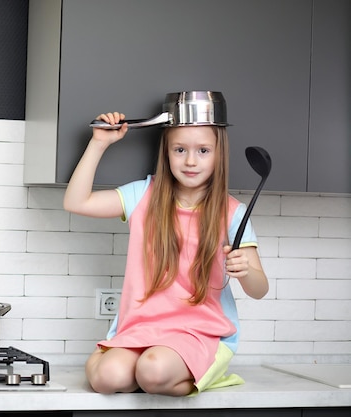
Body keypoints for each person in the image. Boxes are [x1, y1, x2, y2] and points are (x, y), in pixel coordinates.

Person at [63, 111, 269, 397]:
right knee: (108, 378)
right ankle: (130, 364)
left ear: (219, 154)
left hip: (200, 332)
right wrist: (98, 143)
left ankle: (209, 374)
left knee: (152, 371)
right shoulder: (143, 194)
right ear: (167, 152)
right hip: (142, 327)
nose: (191, 161)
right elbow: (76, 202)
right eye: (180, 149)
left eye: (203, 150)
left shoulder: (233, 213)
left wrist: (246, 271)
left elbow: (259, 289)